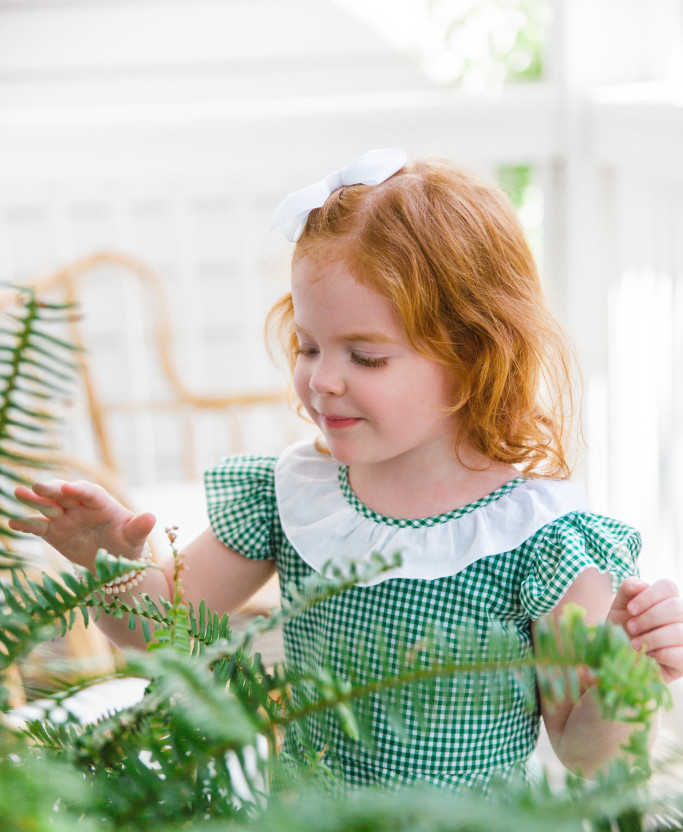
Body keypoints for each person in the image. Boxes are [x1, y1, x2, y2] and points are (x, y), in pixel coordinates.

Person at [9, 148, 683, 788]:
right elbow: (166, 633)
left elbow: (585, 754)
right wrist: (109, 564)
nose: (322, 380)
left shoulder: (538, 537)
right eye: (308, 346)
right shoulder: (298, 494)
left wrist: (628, 668)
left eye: (365, 357)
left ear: (474, 358)